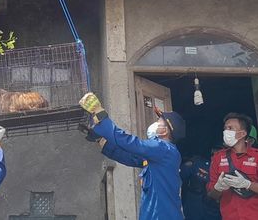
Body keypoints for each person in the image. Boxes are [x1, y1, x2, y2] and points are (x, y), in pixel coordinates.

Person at [79, 92, 184, 220]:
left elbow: (130, 143)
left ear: (165, 130)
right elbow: (130, 158)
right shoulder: (160, 156)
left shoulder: (164, 149)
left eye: (159, 120)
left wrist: (100, 114)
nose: (156, 122)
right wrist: (102, 141)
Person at [207, 113, 258, 220]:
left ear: (242, 133)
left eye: (230, 128)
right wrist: (218, 188)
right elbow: (211, 195)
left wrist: (247, 184)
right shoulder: (218, 158)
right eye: (225, 128)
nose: (226, 131)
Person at [181, 154, 222, 220]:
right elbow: (182, 180)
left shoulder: (228, 168)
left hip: (213, 207)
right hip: (194, 202)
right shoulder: (198, 163)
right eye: (214, 152)